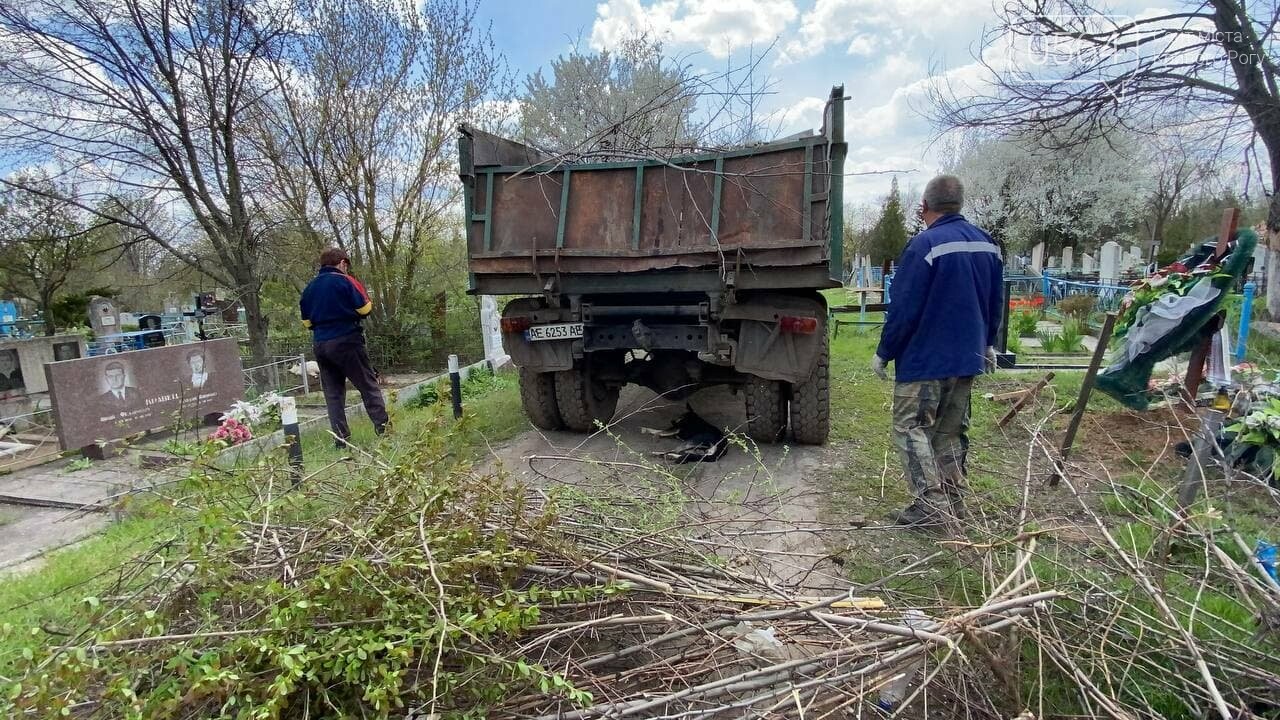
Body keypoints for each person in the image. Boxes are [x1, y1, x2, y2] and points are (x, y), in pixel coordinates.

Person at [871, 175, 1004, 528]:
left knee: (911, 429)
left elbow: (904, 307)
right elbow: (995, 302)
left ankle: (930, 507)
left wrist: (885, 351)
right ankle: (954, 503)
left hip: (926, 360)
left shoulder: (924, 246)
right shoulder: (986, 244)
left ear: (924, 208)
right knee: (949, 433)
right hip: (967, 359)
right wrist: (988, 343)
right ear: (959, 205)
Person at [300, 247, 389, 446]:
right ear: (342, 263)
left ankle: (341, 439)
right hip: (346, 340)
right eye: (346, 265)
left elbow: (306, 323)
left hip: (321, 344)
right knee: (367, 385)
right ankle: (383, 429)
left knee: (333, 394)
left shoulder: (310, 288)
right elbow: (365, 308)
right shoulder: (345, 281)